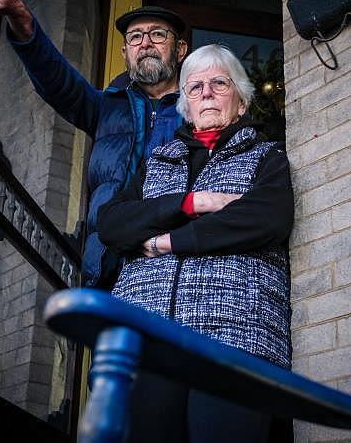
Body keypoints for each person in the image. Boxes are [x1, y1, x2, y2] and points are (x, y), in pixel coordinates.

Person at [98, 44, 294, 442]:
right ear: (185, 105)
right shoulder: (156, 164)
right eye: (195, 87)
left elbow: (265, 218)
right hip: (147, 338)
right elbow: (113, 225)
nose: (206, 92)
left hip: (235, 334)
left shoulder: (267, 157)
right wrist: (195, 202)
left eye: (219, 83)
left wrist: (166, 241)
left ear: (240, 102)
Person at [0, 0, 188, 287]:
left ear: (180, 50)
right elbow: (57, 80)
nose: (145, 43)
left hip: (177, 263)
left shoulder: (201, 108)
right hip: (110, 266)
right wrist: (18, 13)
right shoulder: (105, 107)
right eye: (135, 37)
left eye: (158, 34)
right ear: (125, 53)